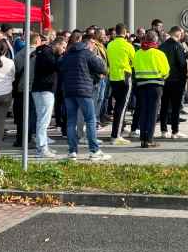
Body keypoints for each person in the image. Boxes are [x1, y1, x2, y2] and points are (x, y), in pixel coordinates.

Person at [57, 32, 112, 161]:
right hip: (84, 91)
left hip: (69, 91)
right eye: (93, 43)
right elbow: (102, 68)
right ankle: (94, 150)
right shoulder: (87, 53)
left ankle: (72, 151)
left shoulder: (68, 54)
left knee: (71, 121)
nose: (94, 46)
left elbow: (60, 67)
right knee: (90, 119)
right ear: (87, 43)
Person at [132, 30, 170, 148]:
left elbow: (134, 68)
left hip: (141, 85)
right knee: (152, 113)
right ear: (155, 40)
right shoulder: (159, 54)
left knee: (143, 112)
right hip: (155, 86)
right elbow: (166, 71)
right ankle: (149, 140)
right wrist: (162, 77)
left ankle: (143, 139)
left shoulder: (138, 53)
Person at [32, 36, 65, 158]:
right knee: (43, 121)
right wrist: (61, 57)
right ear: (57, 44)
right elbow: (56, 66)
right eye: (63, 47)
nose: (63, 50)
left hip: (41, 89)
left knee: (42, 119)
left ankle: (43, 146)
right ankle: (42, 148)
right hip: (45, 90)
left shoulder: (43, 52)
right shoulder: (47, 53)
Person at [106, 23, 136, 145]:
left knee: (118, 106)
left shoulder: (110, 45)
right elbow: (134, 62)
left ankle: (116, 133)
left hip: (113, 77)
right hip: (125, 76)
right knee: (122, 107)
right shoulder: (128, 45)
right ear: (125, 33)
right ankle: (116, 135)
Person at [11, 32, 42, 148]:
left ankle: (20, 139)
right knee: (31, 115)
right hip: (33, 88)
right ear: (37, 41)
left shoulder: (20, 53)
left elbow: (15, 70)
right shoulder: (38, 54)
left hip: (20, 88)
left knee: (20, 116)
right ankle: (29, 139)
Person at [159, 26, 188, 138]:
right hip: (177, 81)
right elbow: (182, 64)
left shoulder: (162, 46)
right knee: (176, 107)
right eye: (181, 33)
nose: (182, 35)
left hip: (164, 80)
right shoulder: (178, 46)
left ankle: (163, 130)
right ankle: (175, 131)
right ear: (178, 33)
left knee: (164, 105)